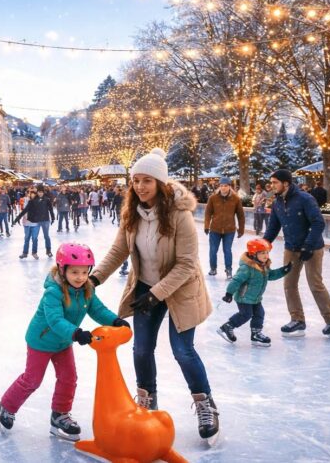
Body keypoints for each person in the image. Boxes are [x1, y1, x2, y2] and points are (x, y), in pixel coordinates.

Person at [89, 148, 219, 442]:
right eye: (136, 180)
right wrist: (94, 278)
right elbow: (118, 250)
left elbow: (187, 264)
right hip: (146, 286)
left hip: (181, 289)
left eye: (147, 180)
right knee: (141, 350)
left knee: (182, 350)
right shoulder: (131, 213)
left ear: (161, 183)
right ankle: (147, 400)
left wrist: (157, 294)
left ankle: (204, 403)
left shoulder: (179, 215)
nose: (140, 186)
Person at [0, 243, 129, 441]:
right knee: (32, 379)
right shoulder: (53, 292)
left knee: (69, 378)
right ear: (62, 269)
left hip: (63, 343)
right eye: (75, 272)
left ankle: (60, 415)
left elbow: (97, 309)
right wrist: (76, 333)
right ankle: (6, 407)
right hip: (41, 341)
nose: (80, 277)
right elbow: (55, 320)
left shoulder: (87, 289)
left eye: (84, 272)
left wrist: (115, 320)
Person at [263, 169, 330, 339]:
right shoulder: (277, 202)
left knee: (315, 284)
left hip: (312, 247)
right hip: (291, 248)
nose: (272, 185)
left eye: (275, 182)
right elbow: (273, 227)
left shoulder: (305, 198)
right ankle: (297, 319)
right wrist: (262, 244)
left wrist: (308, 245)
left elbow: (318, 223)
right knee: (289, 284)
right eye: (271, 182)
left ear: (286, 183)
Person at [216, 238, 291, 347]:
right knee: (246, 314)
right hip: (244, 297)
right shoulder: (247, 268)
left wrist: (283, 271)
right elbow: (236, 280)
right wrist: (229, 294)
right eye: (262, 253)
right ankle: (228, 326)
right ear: (253, 254)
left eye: (267, 253)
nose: (266, 256)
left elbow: (271, 275)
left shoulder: (263, 266)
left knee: (259, 314)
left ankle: (256, 334)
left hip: (256, 298)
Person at [203, 177, 245, 278]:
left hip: (229, 230)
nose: (223, 188)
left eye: (225, 186)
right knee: (213, 250)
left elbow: (240, 215)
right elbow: (208, 213)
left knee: (227, 250)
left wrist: (241, 229)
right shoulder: (213, 198)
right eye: (221, 186)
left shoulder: (236, 199)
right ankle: (213, 268)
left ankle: (228, 270)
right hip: (215, 229)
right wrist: (206, 225)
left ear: (229, 186)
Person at [13, 186, 55, 259]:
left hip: (45, 221)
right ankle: (31, 252)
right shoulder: (33, 201)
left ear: (43, 192)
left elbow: (51, 209)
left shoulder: (47, 200)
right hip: (37, 221)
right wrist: (17, 218)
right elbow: (25, 210)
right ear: (37, 192)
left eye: (41, 192)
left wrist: (53, 217)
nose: (40, 193)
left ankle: (48, 251)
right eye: (39, 192)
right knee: (35, 238)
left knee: (46, 236)